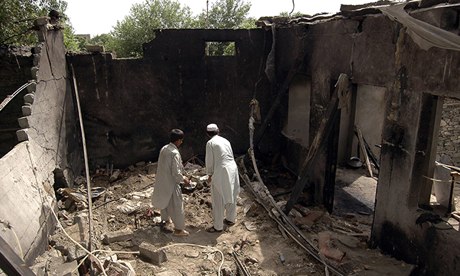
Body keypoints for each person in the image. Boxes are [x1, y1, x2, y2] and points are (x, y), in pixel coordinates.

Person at [152, 129, 190, 236]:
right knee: (177, 206)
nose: (181, 142)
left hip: (162, 180)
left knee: (165, 201)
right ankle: (179, 230)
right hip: (172, 184)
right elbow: (176, 173)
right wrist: (184, 179)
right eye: (181, 140)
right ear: (178, 140)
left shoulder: (164, 148)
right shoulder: (174, 153)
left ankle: (165, 220)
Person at [205, 123, 240, 232]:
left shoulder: (210, 143)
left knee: (218, 199)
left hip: (222, 171)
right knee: (231, 194)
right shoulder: (226, 140)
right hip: (232, 168)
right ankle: (230, 219)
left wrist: (209, 174)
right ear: (218, 131)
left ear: (207, 134)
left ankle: (218, 226)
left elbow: (209, 161)